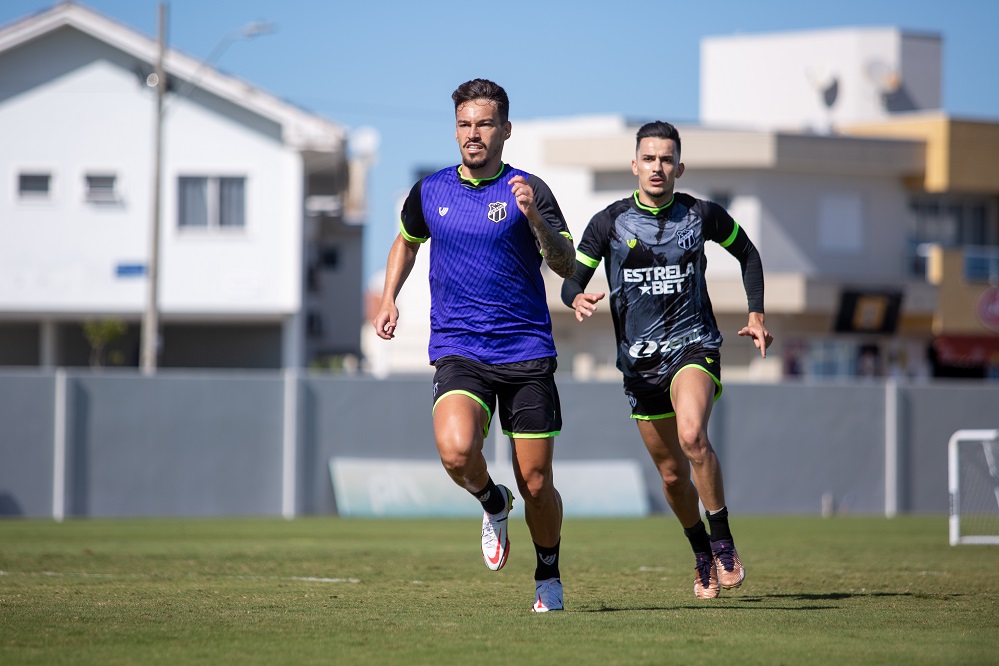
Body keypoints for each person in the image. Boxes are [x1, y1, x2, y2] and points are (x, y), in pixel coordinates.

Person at [373, 79, 576, 612]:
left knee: (536, 481)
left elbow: (564, 263)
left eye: (484, 124)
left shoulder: (530, 189)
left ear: (506, 130)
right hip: (460, 347)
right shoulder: (431, 190)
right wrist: (390, 296)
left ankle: (548, 577)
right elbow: (405, 240)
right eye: (465, 124)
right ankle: (492, 501)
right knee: (457, 450)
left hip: (526, 351)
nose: (473, 134)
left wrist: (533, 219)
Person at [560, 120, 772, 599]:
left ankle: (723, 540)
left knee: (693, 434)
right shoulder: (609, 221)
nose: (658, 167)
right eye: (649, 158)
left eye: (666, 159)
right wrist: (576, 297)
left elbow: (749, 254)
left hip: (693, 347)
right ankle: (700, 552)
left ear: (680, 165)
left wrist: (756, 313)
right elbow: (572, 278)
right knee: (673, 475)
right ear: (635, 164)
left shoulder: (701, 215)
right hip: (639, 366)